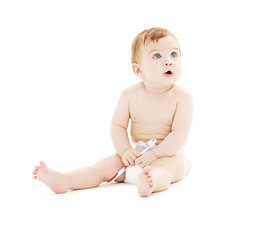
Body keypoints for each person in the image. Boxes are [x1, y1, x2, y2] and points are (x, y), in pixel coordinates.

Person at [32, 27, 193, 197]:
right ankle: (66, 180)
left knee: (167, 168)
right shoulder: (129, 95)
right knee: (105, 165)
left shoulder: (182, 97)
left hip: (167, 153)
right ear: (138, 70)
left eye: (174, 54)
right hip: (136, 154)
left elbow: (178, 135)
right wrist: (125, 152)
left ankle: (151, 181)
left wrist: (155, 155)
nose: (168, 61)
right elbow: (118, 126)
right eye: (157, 56)